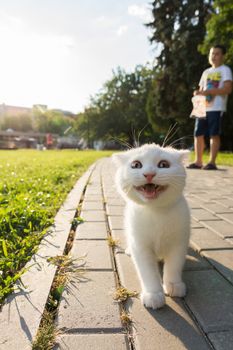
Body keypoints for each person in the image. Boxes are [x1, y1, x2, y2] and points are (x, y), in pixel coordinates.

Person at [187, 44, 232, 170]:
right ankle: (198, 161)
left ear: (223, 56)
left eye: (217, 54)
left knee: (214, 134)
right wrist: (197, 93)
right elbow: (202, 89)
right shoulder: (206, 72)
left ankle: (211, 162)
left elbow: (227, 89)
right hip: (202, 106)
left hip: (216, 108)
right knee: (198, 134)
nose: (214, 56)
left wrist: (208, 92)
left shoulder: (225, 70)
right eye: (212, 53)